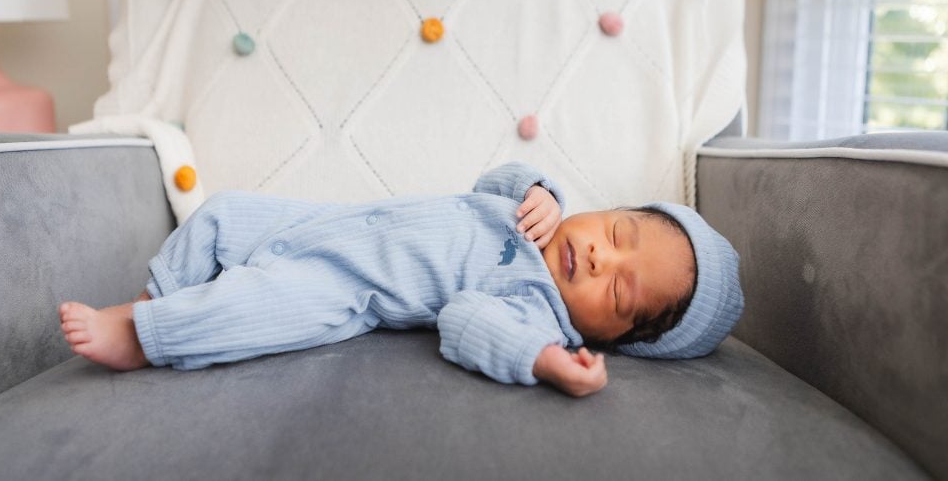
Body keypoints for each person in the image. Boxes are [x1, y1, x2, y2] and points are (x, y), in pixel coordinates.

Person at [58, 162, 744, 397]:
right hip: (333, 220)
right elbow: (492, 179)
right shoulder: (539, 217)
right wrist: (540, 187)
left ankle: (146, 334)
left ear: (612, 336)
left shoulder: (534, 307)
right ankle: (159, 292)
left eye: (618, 292)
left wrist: (545, 360)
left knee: (251, 305)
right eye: (618, 234)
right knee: (224, 211)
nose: (600, 258)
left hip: (348, 286)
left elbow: (464, 323)